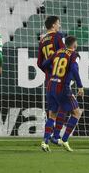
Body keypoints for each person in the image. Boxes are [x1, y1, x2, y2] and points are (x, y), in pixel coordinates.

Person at [40, 36, 84, 152]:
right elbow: (74, 69)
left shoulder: (57, 52)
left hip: (51, 86)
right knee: (76, 113)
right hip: (63, 88)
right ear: (74, 45)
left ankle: (45, 142)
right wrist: (80, 85)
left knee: (52, 115)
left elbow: (44, 64)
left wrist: (54, 72)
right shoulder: (74, 55)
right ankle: (64, 139)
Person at [37, 16, 67, 145]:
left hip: (49, 79)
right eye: (58, 24)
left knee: (52, 110)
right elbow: (63, 54)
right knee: (65, 107)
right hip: (60, 77)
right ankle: (55, 136)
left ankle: (48, 138)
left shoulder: (42, 40)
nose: (59, 26)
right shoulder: (58, 37)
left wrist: (48, 72)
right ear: (54, 25)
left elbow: (39, 63)